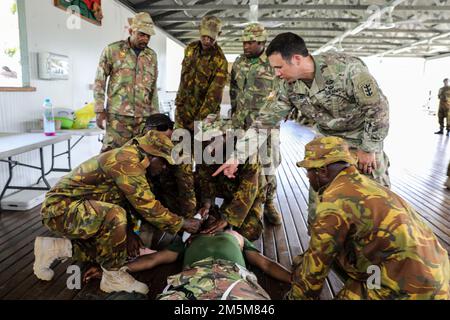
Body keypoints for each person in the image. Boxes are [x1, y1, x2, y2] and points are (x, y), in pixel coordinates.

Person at [214, 32, 390, 225]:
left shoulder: (347, 69)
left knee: (377, 205)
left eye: (279, 67)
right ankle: (319, 249)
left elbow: (378, 108)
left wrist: (369, 148)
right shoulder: (287, 87)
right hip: (328, 143)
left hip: (362, 138)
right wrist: (237, 157)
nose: (276, 73)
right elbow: (264, 121)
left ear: (297, 59)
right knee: (320, 204)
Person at [33, 130, 202, 295]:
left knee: (115, 247)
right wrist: (182, 223)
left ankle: (55, 248)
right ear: (153, 156)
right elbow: (148, 206)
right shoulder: (127, 162)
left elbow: (121, 199)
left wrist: (128, 231)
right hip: (59, 210)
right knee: (115, 216)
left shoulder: (133, 157)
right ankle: (113, 277)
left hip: (77, 208)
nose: (165, 168)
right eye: (164, 162)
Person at [285, 136, 450, 300]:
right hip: (434, 275)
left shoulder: (334, 204)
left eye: (308, 171)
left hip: (411, 288)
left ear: (322, 171)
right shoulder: (365, 185)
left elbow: (314, 272)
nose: (307, 176)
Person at [83, 224, 291, 300]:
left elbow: (266, 264)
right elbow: (154, 259)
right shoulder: (189, 239)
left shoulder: (235, 236)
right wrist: (112, 271)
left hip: (233, 277)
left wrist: (296, 279)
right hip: (193, 279)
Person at [230, 23, 282, 225]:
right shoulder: (238, 63)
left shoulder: (272, 63)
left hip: (267, 127)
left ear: (262, 42)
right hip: (242, 125)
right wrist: (234, 118)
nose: (246, 46)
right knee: (244, 165)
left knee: (268, 165)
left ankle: (268, 202)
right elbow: (234, 90)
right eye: (244, 41)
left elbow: (285, 90)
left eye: (250, 42)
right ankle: (249, 204)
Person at [94, 12, 159, 152]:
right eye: (141, 34)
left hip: (143, 117)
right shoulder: (112, 50)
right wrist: (99, 110)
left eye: (148, 36)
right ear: (131, 31)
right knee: (111, 156)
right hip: (118, 117)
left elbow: (153, 87)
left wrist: (155, 115)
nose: (145, 39)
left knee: (140, 155)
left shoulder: (151, 56)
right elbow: (100, 80)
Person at [174, 15, 228, 135]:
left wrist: (199, 121)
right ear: (199, 31)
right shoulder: (190, 49)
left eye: (211, 37)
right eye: (204, 36)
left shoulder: (220, 60)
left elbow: (214, 96)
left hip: (204, 116)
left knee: (202, 150)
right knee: (179, 147)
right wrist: (179, 108)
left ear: (218, 35)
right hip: (182, 112)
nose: (207, 40)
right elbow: (183, 81)